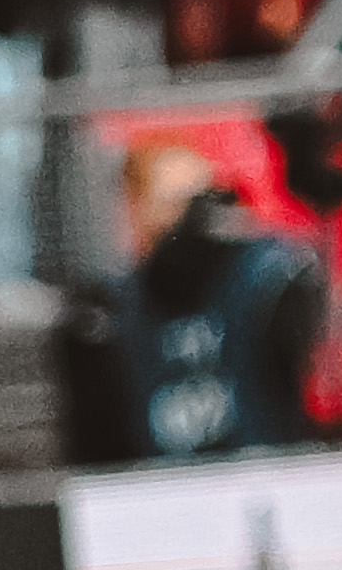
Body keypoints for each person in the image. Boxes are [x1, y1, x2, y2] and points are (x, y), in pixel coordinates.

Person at [99, 140, 325, 462]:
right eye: (173, 203)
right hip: (165, 479)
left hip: (266, 467)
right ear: (135, 208)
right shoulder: (121, 305)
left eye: (201, 198)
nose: (190, 217)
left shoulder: (268, 278)